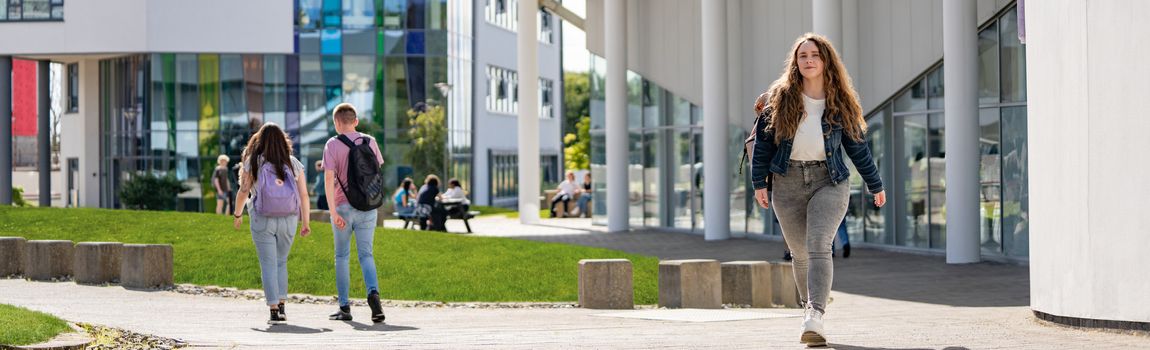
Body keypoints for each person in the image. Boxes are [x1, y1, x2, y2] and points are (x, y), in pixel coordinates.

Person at [750, 33, 886, 347]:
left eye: (815, 55)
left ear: (825, 61)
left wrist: (874, 182)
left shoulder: (840, 101)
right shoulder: (781, 98)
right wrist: (760, 183)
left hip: (831, 180)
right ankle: (808, 309)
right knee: (798, 253)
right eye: (803, 56)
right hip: (788, 181)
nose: (809, 60)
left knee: (818, 245)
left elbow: (857, 148)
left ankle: (816, 313)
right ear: (795, 63)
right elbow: (764, 146)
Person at [231, 123, 311, 325]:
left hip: (262, 217)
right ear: (283, 141)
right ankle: (282, 304)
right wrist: (306, 222)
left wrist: (237, 214)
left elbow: (243, 191)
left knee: (268, 263)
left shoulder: (253, 162)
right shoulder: (293, 162)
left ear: (259, 140)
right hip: (289, 218)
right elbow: (303, 195)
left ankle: (274, 309)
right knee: (281, 261)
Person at [322, 103, 386, 323]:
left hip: (343, 207)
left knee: (342, 256)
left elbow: (329, 179)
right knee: (366, 254)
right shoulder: (371, 141)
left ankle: (344, 307)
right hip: (368, 207)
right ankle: (374, 297)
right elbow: (377, 169)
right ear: (356, 121)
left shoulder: (332, 144)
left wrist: (332, 212)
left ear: (336, 122)